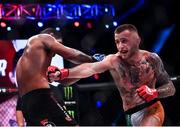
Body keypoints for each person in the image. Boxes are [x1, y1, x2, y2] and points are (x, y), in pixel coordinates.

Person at [47, 24, 176, 126]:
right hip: (129, 114)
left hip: (152, 109)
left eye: (124, 41)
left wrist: (154, 92)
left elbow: (170, 88)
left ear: (137, 41)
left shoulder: (151, 59)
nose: (120, 46)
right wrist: (63, 73)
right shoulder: (114, 60)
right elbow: (90, 68)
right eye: (117, 42)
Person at [15, 27, 100, 126]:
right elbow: (72, 55)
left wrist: (83, 72)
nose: (57, 50)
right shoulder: (43, 38)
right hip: (42, 97)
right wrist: (92, 59)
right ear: (51, 36)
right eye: (59, 43)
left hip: (27, 104)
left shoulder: (29, 63)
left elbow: (64, 81)